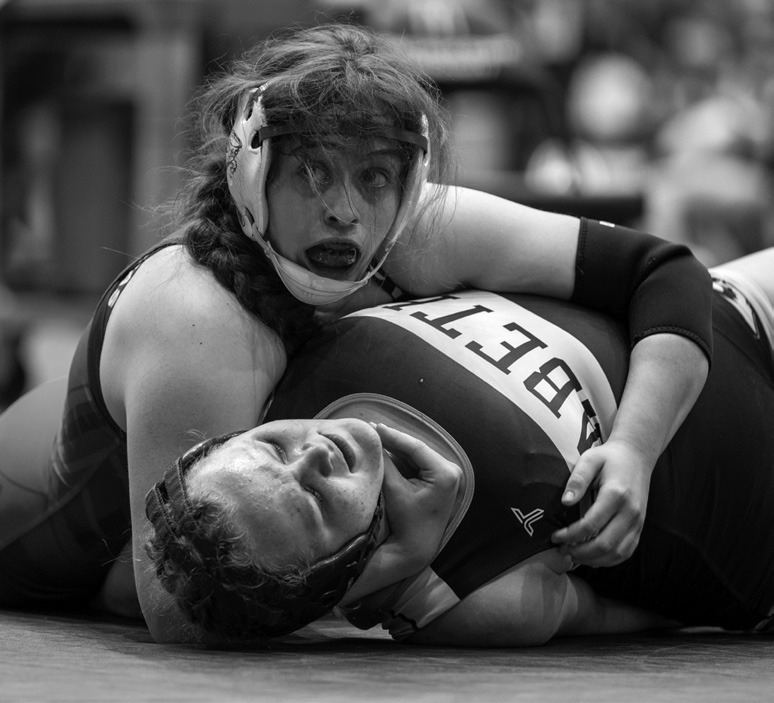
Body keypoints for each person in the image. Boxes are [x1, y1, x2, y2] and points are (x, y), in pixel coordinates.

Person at [0, 23, 712, 642]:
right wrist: (399, 567)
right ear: (250, 171)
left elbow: (662, 272)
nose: (345, 210)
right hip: (45, 539)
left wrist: (634, 449)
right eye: (313, 172)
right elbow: (177, 607)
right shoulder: (199, 321)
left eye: (374, 177)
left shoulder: (416, 229)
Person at [146, 248, 774, 646]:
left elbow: (662, 267)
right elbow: (657, 621)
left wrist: (637, 443)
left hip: (734, 312)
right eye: (314, 501)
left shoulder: (286, 356)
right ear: (334, 570)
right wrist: (403, 586)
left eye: (273, 451)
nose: (312, 456)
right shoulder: (462, 600)